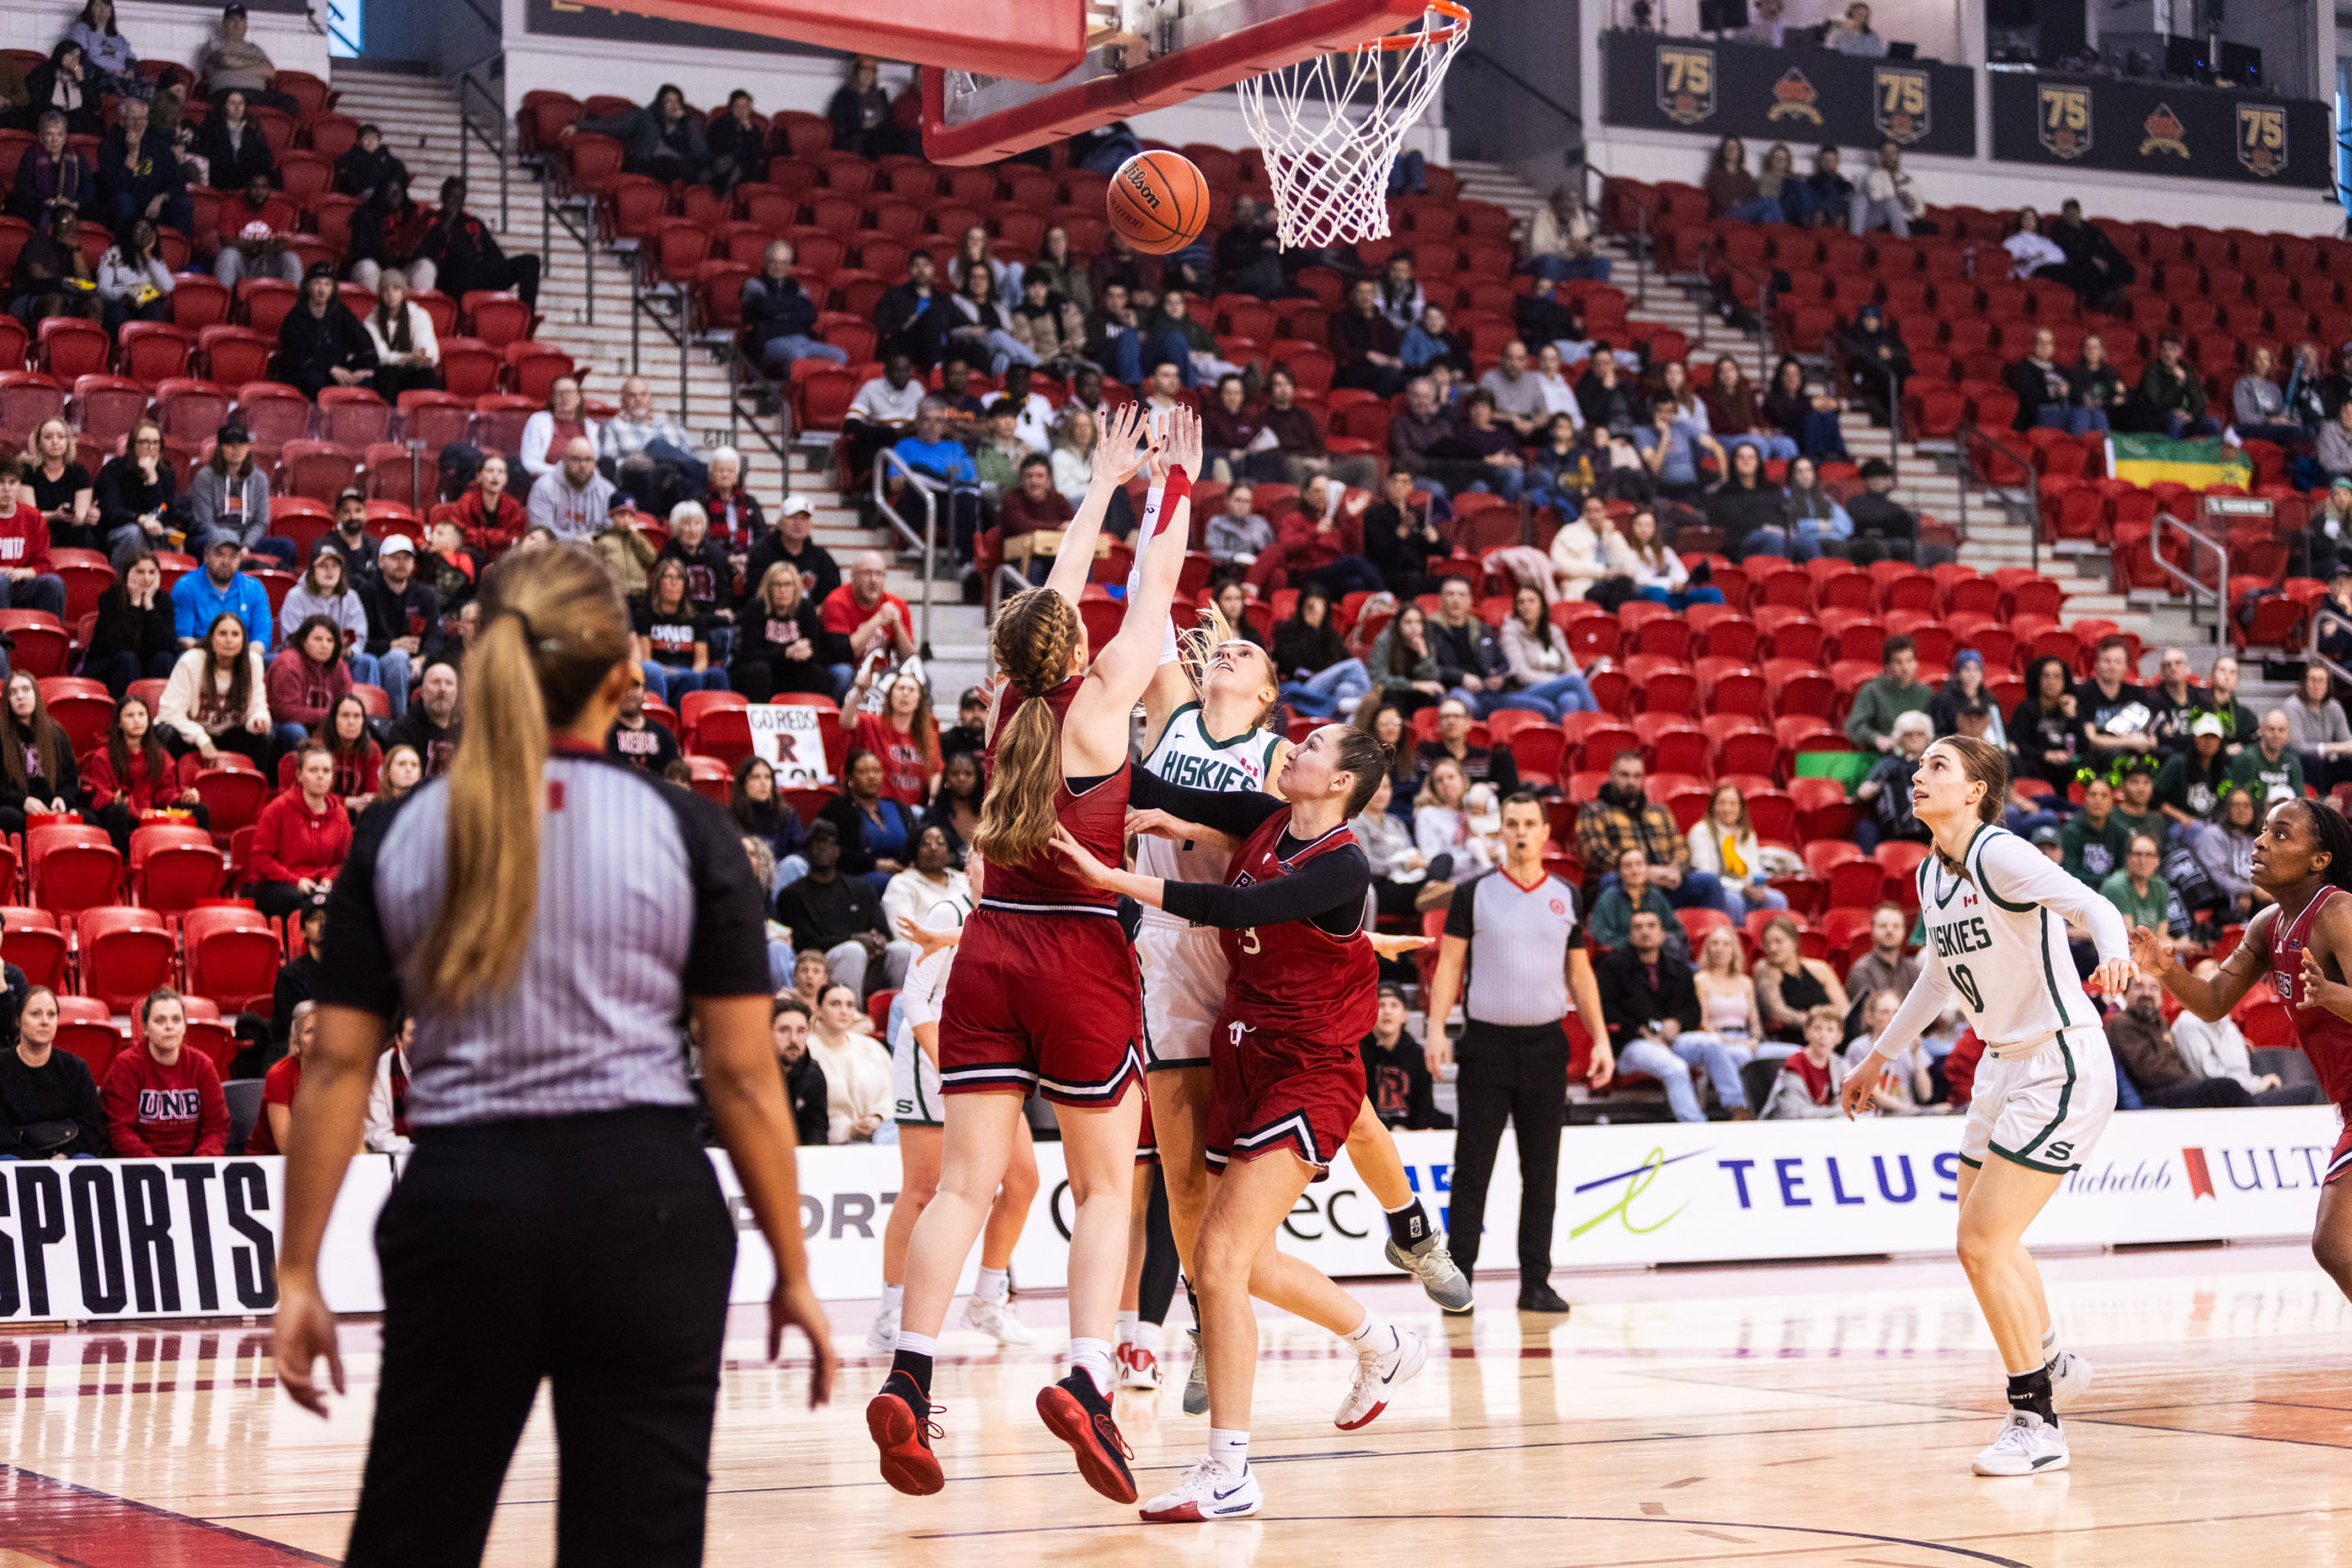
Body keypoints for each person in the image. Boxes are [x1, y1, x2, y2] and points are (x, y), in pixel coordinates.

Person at [270, 539, 833, 1561]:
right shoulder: (689, 831)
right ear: (625, 677)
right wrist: (793, 1269)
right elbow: (746, 1076)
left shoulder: (400, 832)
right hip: (645, 1212)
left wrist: (298, 1272)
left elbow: (337, 1069)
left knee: (412, 1534)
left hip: (463, 1210)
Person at [865, 405, 1185, 1506]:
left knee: (962, 1185)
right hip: (1080, 956)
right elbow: (1152, 591)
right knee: (1104, 1194)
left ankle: (910, 1371)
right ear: (1075, 647)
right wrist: (1170, 485)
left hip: (991, 952)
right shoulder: (1100, 705)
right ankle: (1088, 1380)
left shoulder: (1005, 707)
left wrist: (1097, 486)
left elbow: (1060, 594)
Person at [1049, 717, 1434, 1519]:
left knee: (1217, 1262)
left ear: (1340, 783)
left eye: (1317, 746)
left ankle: (1230, 1470)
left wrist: (1106, 878)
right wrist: (1066, 713)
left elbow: (1225, 905)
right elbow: (1153, 789)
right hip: (1242, 1055)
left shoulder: (1342, 866)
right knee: (1227, 1260)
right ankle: (1381, 1341)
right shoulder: (1264, 816)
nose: (1297, 745)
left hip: (1310, 1067)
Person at [1847, 735, 2128, 1475]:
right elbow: (1938, 980)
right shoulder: (1930, 878)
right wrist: (1879, 1056)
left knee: (1980, 1242)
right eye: (1918, 764)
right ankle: (2052, 1358)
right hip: (2001, 1068)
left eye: (1938, 765)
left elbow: (2093, 904)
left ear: (1975, 790)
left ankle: (2036, 1418)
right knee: (1984, 1240)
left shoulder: (2001, 854)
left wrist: (2116, 948)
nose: (1918, 773)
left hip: (2058, 1057)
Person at [1600, 908, 1747, 1122]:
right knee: (1674, 1067)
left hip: (1673, 1039)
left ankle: (1738, 1108)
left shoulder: (1679, 969)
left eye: (1651, 926)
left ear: (1661, 934)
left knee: (1712, 1043)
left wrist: (1677, 1023)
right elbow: (1606, 1009)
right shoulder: (1613, 968)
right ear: (1630, 935)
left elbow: (1693, 1010)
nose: (1645, 932)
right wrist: (1640, 1030)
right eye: (1638, 927)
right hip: (1632, 1044)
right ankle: (1696, 1127)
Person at [1577, 750, 1739, 920]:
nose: (1631, 782)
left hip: (1667, 886)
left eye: (1637, 776)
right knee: (1610, 880)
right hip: (1626, 883)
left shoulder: (1660, 812)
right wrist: (1643, 872)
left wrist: (1675, 870)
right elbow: (1596, 855)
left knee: (1709, 882)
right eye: (1624, 775)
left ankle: (1713, 941)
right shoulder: (1593, 811)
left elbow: (1681, 849)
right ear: (1612, 776)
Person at [101, 988, 228, 1157]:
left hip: (192, 1162)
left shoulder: (202, 1065)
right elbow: (119, 1130)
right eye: (160, 1020)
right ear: (145, 1028)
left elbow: (217, 1126)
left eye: (176, 1020)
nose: (169, 1026)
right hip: (141, 1164)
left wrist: (201, 1164)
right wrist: (157, 1168)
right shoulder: (125, 1066)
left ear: (184, 1026)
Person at [243, 742, 351, 919]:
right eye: (313, 770)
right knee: (299, 901)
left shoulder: (340, 815)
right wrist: (296, 881)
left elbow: (343, 862)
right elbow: (260, 859)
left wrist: (328, 879)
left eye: (326, 771)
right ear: (299, 775)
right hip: (276, 885)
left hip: (320, 887)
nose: (320, 776)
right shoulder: (277, 809)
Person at [0, 987, 103, 1158]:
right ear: (18, 1020)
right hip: (17, 1157)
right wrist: (37, 1162)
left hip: (67, 1157)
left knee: (84, 1161)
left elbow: (90, 1130)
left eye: (51, 1014)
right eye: (35, 1014)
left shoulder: (76, 1068)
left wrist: (64, 1156)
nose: (45, 1022)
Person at [158, 611, 271, 765]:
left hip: (229, 734)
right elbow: (169, 713)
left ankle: (253, 786)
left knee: (265, 737)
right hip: (192, 735)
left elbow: (257, 706)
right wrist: (201, 739)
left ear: (243, 640)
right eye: (223, 634)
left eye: (235, 634)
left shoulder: (253, 663)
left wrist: (259, 720)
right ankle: (174, 786)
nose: (229, 640)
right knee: (166, 733)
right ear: (211, 639)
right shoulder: (191, 661)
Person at [416, 175, 540, 308]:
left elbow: (495, 256)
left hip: (479, 276)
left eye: (459, 197)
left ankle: (526, 314)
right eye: (452, 196)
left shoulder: (474, 223)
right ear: (443, 197)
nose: (455, 201)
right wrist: (449, 221)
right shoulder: (432, 221)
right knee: (463, 254)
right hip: (449, 277)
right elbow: (427, 253)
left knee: (531, 262)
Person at [184, 430, 292, 579]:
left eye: (241, 445)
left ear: (247, 448)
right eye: (230, 445)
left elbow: (261, 522)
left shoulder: (260, 478)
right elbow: (204, 521)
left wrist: (246, 544)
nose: (236, 450)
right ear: (221, 448)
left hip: (246, 539)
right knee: (199, 543)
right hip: (214, 539)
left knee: (287, 546)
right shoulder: (205, 477)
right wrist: (230, 546)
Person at [358, 536, 443, 716]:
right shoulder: (366, 593)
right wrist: (391, 645)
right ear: (381, 561)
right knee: (397, 658)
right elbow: (361, 641)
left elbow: (435, 634)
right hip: (378, 659)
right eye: (395, 558)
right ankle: (398, 721)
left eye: (407, 558)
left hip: (417, 662)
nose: (401, 563)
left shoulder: (424, 594)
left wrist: (423, 658)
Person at [83, 552, 178, 699]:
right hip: (110, 665)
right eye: (140, 572)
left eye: (152, 572)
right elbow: (117, 645)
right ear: (128, 573)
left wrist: (149, 606)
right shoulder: (110, 598)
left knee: (164, 659)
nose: (146, 578)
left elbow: (167, 644)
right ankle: (124, 711)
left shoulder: (163, 600)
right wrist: (134, 604)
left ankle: (162, 713)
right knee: (128, 659)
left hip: (145, 664)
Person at [1687, 780, 1789, 917]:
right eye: (1721, 803)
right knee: (1734, 900)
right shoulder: (1700, 831)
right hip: (1721, 889)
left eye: (1733, 804)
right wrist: (1741, 888)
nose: (1727, 809)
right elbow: (1706, 874)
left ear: (1741, 808)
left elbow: (1754, 868)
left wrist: (1758, 888)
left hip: (1747, 887)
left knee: (1777, 899)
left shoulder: (1748, 833)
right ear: (1712, 807)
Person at [1754, 912, 1849, 1043]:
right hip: (1794, 1037)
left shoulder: (1820, 969)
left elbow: (1844, 1009)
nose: (1773, 948)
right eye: (1767, 943)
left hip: (1830, 1036)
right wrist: (1817, 1024)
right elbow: (1776, 1013)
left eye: (1778, 941)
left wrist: (1828, 1028)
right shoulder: (1765, 971)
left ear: (1794, 942)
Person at [267, 614, 355, 754]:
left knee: (357, 732)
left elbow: (348, 705)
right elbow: (286, 712)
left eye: (330, 640)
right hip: (283, 727)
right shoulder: (288, 664)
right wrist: (331, 715)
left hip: (325, 726)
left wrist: (338, 718)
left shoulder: (339, 666)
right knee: (295, 731)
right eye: (318, 639)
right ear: (303, 641)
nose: (324, 645)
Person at [1855, 710, 1935, 852]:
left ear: (1928, 739)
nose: (1914, 738)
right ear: (1899, 739)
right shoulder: (1886, 764)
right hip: (1892, 831)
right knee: (1866, 827)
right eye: (1908, 734)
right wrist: (1867, 790)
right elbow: (1864, 791)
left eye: (1920, 734)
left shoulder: (1936, 765)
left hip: (1932, 831)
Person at [94, 421, 175, 559]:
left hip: (152, 526)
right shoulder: (114, 469)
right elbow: (110, 511)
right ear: (133, 445)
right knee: (134, 532)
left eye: (156, 443)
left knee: (175, 537)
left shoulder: (165, 472)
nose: (151, 447)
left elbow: (164, 508)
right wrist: (139, 518)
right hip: (118, 529)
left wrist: (152, 479)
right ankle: (123, 580)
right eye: (145, 442)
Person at [359, 268, 439, 401]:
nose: (390, 294)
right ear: (380, 293)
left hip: (413, 369)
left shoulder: (419, 314)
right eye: (385, 290)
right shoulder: (371, 320)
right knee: (388, 372)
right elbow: (380, 355)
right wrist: (407, 358)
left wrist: (423, 356)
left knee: (426, 373)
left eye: (396, 288)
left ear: (403, 292)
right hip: (386, 373)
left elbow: (428, 348)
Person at [1761, 1005, 1852, 1119]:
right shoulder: (1795, 1064)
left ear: (1839, 1037)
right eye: (1817, 1028)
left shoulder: (1841, 1065)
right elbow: (1793, 1112)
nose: (1823, 1035)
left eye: (1830, 1029)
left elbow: (1852, 1104)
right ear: (1806, 1033)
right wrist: (1838, 1111)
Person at [25, 416, 96, 553]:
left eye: (61, 437)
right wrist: (54, 516)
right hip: (37, 528)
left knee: (83, 535)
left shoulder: (78, 471)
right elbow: (28, 516)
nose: (55, 442)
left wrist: (86, 517)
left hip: (71, 530)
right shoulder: (28, 471)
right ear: (39, 443)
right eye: (48, 437)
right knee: (46, 535)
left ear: (68, 442)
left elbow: (79, 518)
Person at [96, 215, 174, 332]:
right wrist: (127, 294)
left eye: (148, 230)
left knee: (153, 308)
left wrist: (148, 255)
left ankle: (148, 345)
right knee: (115, 310)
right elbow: (104, 287)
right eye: (139, 229)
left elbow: (168, 286)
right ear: (130, 231)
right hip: (119, 302)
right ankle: (123, 346)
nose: (145, 233)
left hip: (144, 303)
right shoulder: (114, 253)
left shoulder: (154, 260)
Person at [2138, 333, 2219, 438]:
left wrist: (2191, 414)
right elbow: (2157, 404)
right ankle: (2173, 454)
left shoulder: (2186, 371)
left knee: (2213, 421)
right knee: (2175, 417)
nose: (2168, 353)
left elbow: (2199, 400)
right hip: (2156, 420)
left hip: (2183, 418)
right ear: (2159, 352)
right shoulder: (2152, 372)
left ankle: (2217, 454)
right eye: (2164, 349)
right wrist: (2177, 383)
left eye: (2172, 349)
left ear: (2180, 352)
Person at [2287, 662, 2352, 792]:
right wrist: (2332, 747)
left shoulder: (2334, 706)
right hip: (2301, 762)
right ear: (2304, 683)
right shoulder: (2292, 706)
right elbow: (2298, 747)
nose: (2317, 685)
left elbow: (2346, 740)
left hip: (2327, 762)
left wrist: (2346, 747)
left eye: (2322, 681)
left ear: (2328, 685)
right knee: (2313, 761)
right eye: (2313, 680)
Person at [2007, 327, 2082, 434]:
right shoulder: (2023, 368)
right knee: (2078, 415)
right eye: (2040, 342)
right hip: (2039, 414)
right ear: (2033, 345)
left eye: (2048, 343)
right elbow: (2031, 398)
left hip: (2063, 411)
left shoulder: (2062, 370)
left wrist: (2068, 392)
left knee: (2094, 414)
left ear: (2053, 347)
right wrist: (2058, 394)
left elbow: (2076, 394)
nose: (2044, 347)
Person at [2099, 831, 2174, 940]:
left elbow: (2162, 934)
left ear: (2157, 860)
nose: (2143, 861)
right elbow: (2131, 938)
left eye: (2149, 855)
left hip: (2150, 949)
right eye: (2137, 854)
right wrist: (2177, 945)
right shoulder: (2116, 886)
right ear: (2128, 858)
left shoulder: (2161, 886)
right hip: (2121, 950)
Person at [2229, 708, 2306, 800]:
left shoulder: (2293, 763)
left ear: (2288, 734)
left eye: (2281, 730)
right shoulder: (2246, 759)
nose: (2276, 735)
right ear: (2262, 730)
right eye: (2271, 729)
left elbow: (2299, 801)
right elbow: (2241, 801)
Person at [1703, 137, 1781, 225]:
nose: (1731, 150)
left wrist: (1743, 203)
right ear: (1723, 151)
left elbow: (1754, 196)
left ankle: (1774, 235)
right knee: (1770, 202)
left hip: (1744, 211)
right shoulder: (1715, 174)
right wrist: (1737, 202)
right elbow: (1717, 199)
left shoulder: (1745, 175)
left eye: (1735, 148)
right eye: (1728, 147)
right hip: (1725, 214)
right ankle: (1782, 232)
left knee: (1767, 214)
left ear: (1739, 152)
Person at [1849, 141, 1918, 236]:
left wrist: (1912, 205)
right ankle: (1854, 243)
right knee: (1891, 203)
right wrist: (1898, 197)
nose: (1889, 156)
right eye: (1886, 153)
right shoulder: (1874, 176)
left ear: (1898, 156)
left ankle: (1905, 245)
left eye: (1893, 153)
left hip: (1907, 221)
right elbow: (1877, 199)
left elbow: (1920, 210)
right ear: (1881, 156)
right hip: (1884, 219)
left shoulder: (1908, 179)